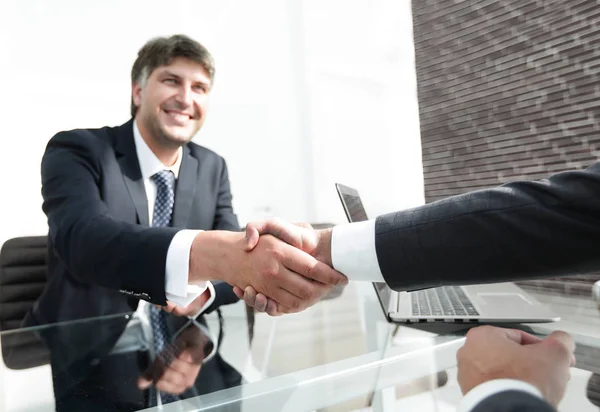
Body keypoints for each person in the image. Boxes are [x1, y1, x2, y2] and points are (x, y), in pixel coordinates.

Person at [24, 34, 346, 410]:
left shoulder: (211, 167)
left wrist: (204, 293)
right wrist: (210, 256)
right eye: (171, 81)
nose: (186, 98)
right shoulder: (78, 150)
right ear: (138, 90)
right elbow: (84, 241)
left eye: (200, 88)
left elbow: (237, 254)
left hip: (187, 341)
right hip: (93, 346)